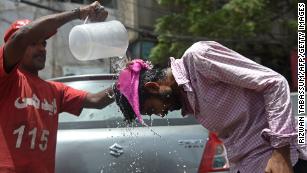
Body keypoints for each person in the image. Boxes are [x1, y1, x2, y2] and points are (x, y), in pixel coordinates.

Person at [114, 41, 307, 173]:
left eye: (152, 109)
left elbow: (274, 83)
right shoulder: (188, 100)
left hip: (287, 158)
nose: (161, 113)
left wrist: (280, 153)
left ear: (153, 87)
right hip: (252, 165)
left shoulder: (199, 58)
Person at [0, 1, 116, 173]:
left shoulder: (55, 90)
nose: (41, 49)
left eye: (44, 43)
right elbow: (22, 35)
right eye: (33, 43)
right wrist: (79, 13)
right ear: (15, 47)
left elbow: (96, 100)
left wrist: (128, 81)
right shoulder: (7, 78)